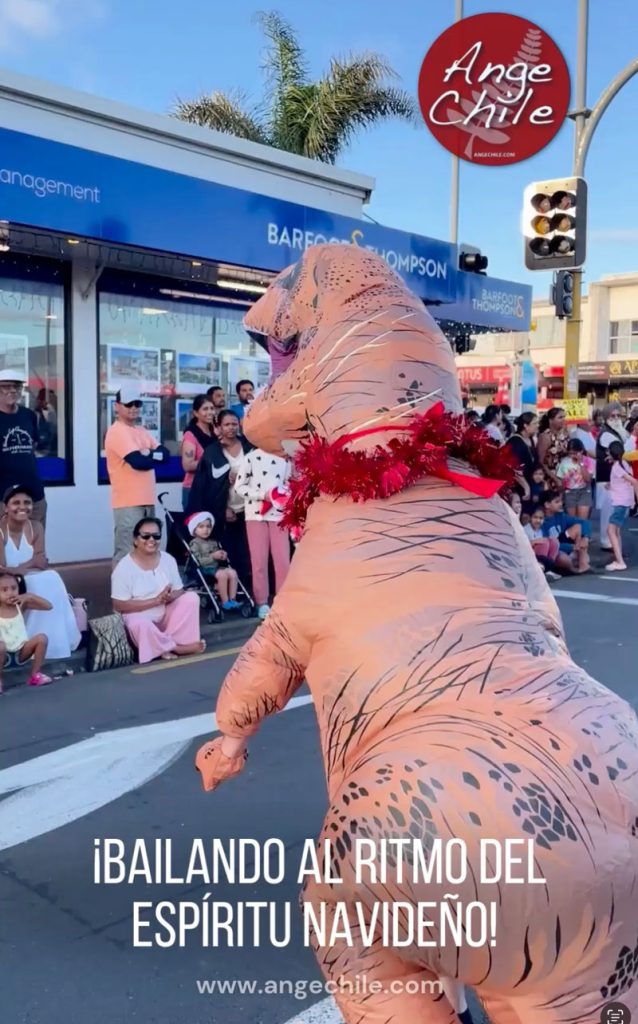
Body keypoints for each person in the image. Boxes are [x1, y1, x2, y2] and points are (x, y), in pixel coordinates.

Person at [0, 485, 82, 659]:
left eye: (27, 503)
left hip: (28, 575)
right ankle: (25, 640)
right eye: (16, 503)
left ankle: (53, 641)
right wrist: (26, 566)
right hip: (6, 581)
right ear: (5, 507)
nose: (22, 507)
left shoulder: (35, 526)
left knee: (52, 577)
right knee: (41, 580)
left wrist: (19, 568)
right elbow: (2, 568)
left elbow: (42, 561)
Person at [111, 516, 204, 664]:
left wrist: (167, 598)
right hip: (139, 617)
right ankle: (177, 648)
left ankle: (171, 644)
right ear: (135, 540)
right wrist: (154, 601)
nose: (151, 539)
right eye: (145, 536)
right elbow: (118, 605)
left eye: (156, 536)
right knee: (140, 623)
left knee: (191, 598)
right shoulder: (124, 568)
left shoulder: (168, 559)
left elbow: (179, 590)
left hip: (164, 613)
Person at [104, 384, 170, 564]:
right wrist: (148, 454)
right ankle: (120, 591)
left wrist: (149, 454)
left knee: (147, 549)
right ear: (117, 406)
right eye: (129, 404)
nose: (133, 408)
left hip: (147, 500)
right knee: (126, 550)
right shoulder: (117, 431)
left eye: (137, 404)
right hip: (127, 503)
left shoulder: (141, 431)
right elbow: (138, 462)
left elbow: (166, 455)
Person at [187, 410, 253, 588]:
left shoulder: (249, 446)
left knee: (249, 553)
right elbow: (206, 487)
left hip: (250, 509)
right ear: (218, 427)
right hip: (226, 512)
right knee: (229, 552)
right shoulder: (212, 452)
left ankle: (248, 592)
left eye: (234, 424)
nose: (231, 428)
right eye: (226, 424)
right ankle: (230, 592)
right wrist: (222, 508)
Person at [235, 448, 292, 620]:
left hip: (280, 515)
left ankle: (283, 601)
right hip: (255, 514)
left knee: (283, 561)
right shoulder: (251, 457)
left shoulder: (285, 458)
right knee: (258, 561)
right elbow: (239, 486)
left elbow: (290, 483)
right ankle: (261, 603)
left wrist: (282, 495)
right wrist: (263, 495)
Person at [0, 368, 46, 528]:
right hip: (3, 496)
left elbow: (34, 446)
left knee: (35, 542)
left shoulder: (29, 416)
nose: (12, 390)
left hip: (34, 494)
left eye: (16, 386)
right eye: (5, 386)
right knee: (4, 546)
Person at [0, 571, 52, 692]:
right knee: (1, 646)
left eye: (14, 588)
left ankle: (35, 675)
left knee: (42, 638)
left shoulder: (20, 606)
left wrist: (28, 596)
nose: (10, 593)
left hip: (21, 652)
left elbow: (48, 606)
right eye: (4, 590)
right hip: (3, 654)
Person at [186, 511, 240, 610]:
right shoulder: (194, 543)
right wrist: (213, 556)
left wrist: (222, 555)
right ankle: (225, 601)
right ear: (194, 529)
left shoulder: (214, 541)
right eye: (201, 527)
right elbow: (198, 561)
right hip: (204, 568)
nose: (205, 529)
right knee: (222, 575)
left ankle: (233, 599)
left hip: (216, 567)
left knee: (233, 573)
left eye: (208, 526)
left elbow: (218, 556)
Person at [596, 401, 627, 551]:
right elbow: (622, 450)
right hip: (607, 478)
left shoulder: (616, 432)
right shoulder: (607, 434)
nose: (616, 419)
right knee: (608, 511)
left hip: (613, 478)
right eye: (613, 416)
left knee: (612, 511)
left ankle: (610, 541)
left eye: (618, 415)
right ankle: (606, 541)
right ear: (607, 417)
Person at [605, 440, 638, 572]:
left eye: (608, 452)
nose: (606, 454)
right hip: (624, 503)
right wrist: (611, 485)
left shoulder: (617, 467)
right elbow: (624, 483)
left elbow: (634, 482)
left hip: (620, 504)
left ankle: (620, 561)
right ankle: (618, 558)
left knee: (611, 531)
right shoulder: (625, 464)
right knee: (616, 531)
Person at [180, 395, 216, 511]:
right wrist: (212, 461)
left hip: (213, 488)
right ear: (196, 413)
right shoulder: (191, 434)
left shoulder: (215, 432)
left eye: (211, 408)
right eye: (205, 409)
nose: (210, 412)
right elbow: (187, 465)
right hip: (194, 488)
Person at [541, 489, 590, 572]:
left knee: (578, 527)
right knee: (563, 559)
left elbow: (584, 522)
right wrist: (571, 547)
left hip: (563, 542)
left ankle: (582, 565)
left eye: (561, 501)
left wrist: (585, 537)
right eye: (557, 502)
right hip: (554, 549)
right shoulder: (542, 521)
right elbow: (548, 544)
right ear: (547, 505)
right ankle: (573, 569)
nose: (561, 504)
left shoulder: (561, 516)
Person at [556, 438, 593, 519]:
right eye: (570, 453)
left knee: (582, 520)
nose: (572, 456)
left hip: (584, 491)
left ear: (581, 451)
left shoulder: (588, 461)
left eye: (575, 453)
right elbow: (560, 481)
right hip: (570, 492)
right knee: (572, 520)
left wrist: (581, 463)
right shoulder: (564, 462)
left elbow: (588, 479)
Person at [506, 412, 538, 501]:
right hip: (518, 485)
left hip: (529, 481)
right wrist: (525, 486)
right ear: (525, 426)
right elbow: (514, 467)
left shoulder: (530, 439)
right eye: (534, 423)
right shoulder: (515, 442)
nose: (537, 426)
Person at [536, 407, 570, 487]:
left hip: (565, 477)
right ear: (551, 420)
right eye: (560, 417)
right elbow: (541, 461)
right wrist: (555, 479)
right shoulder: (545, 436)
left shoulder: (565, 435)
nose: (563, 419)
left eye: (564, 417)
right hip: (551, 478)